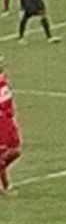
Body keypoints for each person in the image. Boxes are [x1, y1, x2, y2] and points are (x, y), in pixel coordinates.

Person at [0, 59, 21, 196]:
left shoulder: (2, 80)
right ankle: (6, 186)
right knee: (1, 153)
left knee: (16, 151)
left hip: (7, 120)